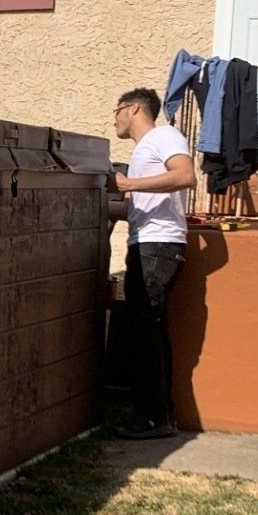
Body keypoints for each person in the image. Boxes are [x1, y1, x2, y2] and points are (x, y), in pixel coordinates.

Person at [108, 87, 196, 439]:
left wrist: (129, 182)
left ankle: (152, 419)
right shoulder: (145, 150)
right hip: (147, 243)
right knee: (147, 332)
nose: (113, 119)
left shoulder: (164, 134)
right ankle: (154, 415)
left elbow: (185, 175)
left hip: (158, 247)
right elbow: (140, 202)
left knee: (146, 333)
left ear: (131, 109)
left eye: (116, 111)